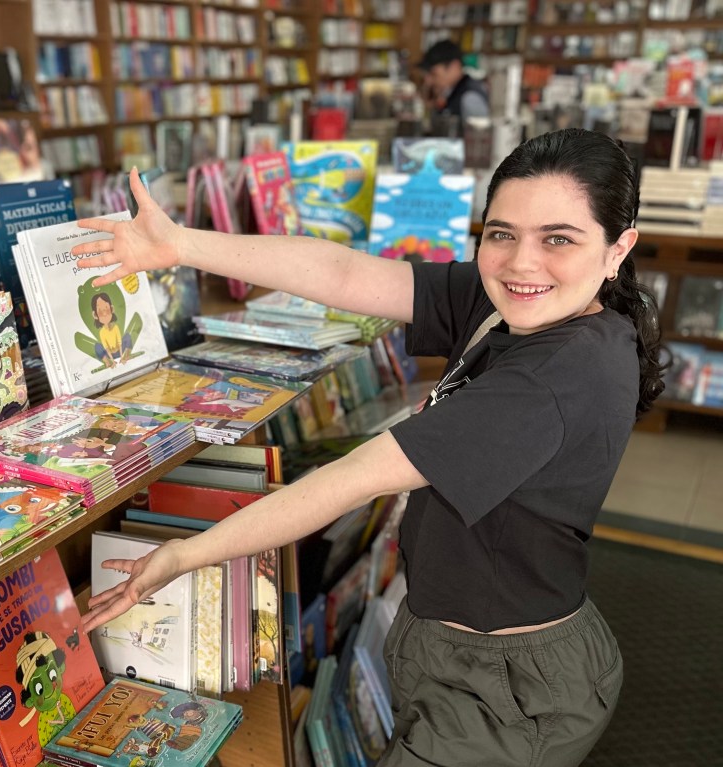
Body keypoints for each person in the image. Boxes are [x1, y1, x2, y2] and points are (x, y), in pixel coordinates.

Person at [72, 128, 666, 767]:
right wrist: (180, 244)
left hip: (506, 691)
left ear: (618, 248)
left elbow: (349, 480)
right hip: (466, 650)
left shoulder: (556, 374)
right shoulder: (522, 303)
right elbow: (345, 272)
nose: (522, 262)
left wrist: (183, 555)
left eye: (559, 239)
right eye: (501, 233)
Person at [417, 38, 490, 130]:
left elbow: (479, 135)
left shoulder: (470, 97)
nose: (429, 81)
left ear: (454, 66)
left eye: (434, 74)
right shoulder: (453, 92)